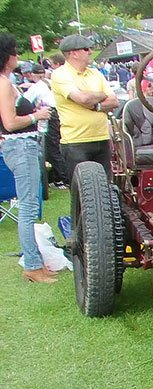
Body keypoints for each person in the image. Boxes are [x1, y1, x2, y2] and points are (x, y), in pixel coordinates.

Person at [0, 33, 55, 283]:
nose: (18, 55)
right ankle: (32, 265)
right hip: (20, 146)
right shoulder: (3, 83)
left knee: (29, 206)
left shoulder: (7, 82)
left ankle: (35, 262)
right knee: (28, 207)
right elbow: (10, 123)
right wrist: (37, 115)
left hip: (20, 146)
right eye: (14, 50)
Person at [50, 34, 118, 181]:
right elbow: (82, 98)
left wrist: (95, 105)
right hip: (76, 142)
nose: (90, 52)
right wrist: (101, 95)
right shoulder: (60, 75)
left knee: (105, 188)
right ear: (73, 53)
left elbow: (114, 101)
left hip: (102, 138)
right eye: (86, 49)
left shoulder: (95, 74)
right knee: (84, 191)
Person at [23, 63, 68, 188]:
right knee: (57, 146)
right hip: (59, 114)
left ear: (31, 74)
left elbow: (24, 102)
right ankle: (57, 178)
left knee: (51, 149)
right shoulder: (48, 82)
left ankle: (65, 179)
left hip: (49, 115)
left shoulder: (36, 87)